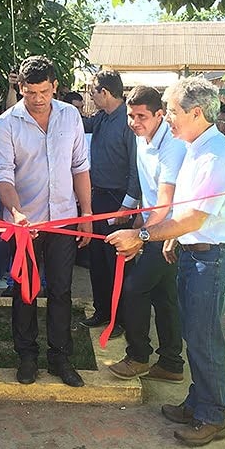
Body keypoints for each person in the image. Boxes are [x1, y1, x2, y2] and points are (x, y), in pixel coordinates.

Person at [106, 76, 225, 447]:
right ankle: (198, 402)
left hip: (213, 258)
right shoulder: (196, 147)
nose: (168, 118)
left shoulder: (215, 155)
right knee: (194, 334)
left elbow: (194, 217)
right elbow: (184, 211)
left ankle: (212, 416)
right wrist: (174, 240)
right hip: (194, 252)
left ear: (195, 113)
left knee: (203, 339)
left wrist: (145, 235)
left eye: (172, 111)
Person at [0, 55, 93, 388]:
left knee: (61, 291)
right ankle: (27, 357)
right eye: (30, 91)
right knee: (25, 291)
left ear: (55, 87)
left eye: (44, 91)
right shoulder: (6, 124)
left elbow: (80, 167)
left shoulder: (71, 116)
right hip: (25, 225)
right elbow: (2, 175)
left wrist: (86, 214)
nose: (37, 99)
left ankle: (61, 358)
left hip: (64, 220)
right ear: (20, 87)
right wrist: (17, 212)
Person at [107, 85, 185, 383]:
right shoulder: (141, 138)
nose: (134, 122)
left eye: (141, 116)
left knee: (134, 289)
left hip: (170, 230)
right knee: (164, 298)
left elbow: (165, 202)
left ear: (160, 115)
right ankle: (171, 363)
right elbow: (144, 189)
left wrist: (140, 237)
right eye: (130, 115)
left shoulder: (173, 146)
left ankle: (139, 356)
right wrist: (129, 216)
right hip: (152, 226)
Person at [79, 71, 140, 338]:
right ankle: (102, 311)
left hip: (119, 202)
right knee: (98, 259)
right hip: (98, 198)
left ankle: (121, 318)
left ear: (104, 92)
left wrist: (127, 207)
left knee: (118, 263)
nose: (91, 96)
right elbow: (81, 124)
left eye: (93, 91)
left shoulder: (129, 122)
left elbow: (137, 169)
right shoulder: (102, 118)